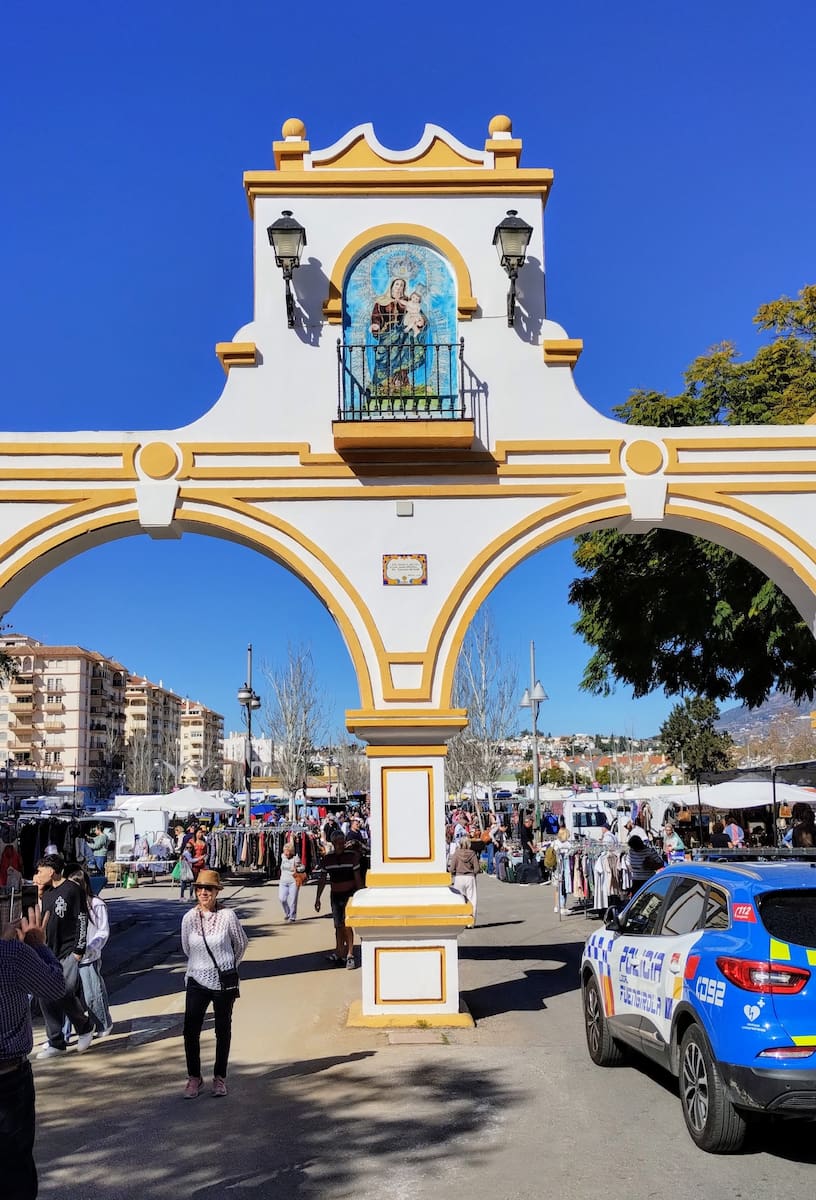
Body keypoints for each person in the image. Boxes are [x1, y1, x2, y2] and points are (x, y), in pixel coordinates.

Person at [0, 907, 66, 1200]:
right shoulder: (12, 954)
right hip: (8, 1078)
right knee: (15, 1170)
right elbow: (54, 986)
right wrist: (38, 946)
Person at [180, 869, 247, 1099]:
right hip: (196, 979)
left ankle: (219, 1077)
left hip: (223, 981)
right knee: (190, 1030)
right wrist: (202, 965)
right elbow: (187, 948)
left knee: (222, 1029)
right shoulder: (189, 918)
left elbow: (241, 944)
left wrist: (229, 965)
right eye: (200, 888)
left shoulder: (228, 916)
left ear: (217, 891)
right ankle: (194, 1077)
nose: (203, 892)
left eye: (208, 888)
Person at [34, 853, 95, 1060]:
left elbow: (81, 918)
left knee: (63, 991)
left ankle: (85, 1026)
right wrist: (39, 892)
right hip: (48, 951)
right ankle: (56, 1041)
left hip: (69, 951)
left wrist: (79, 950)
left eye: (40, 871)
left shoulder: (72, 889)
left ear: (51, 871)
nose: (37, 875)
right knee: (45, 994)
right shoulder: (47, 893)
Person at [68, 869, 113, 1037]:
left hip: (89, 956)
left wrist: (91, 947)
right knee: (69, 994)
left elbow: (103, 931)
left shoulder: (96, 904)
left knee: (93, 992)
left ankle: (103, 1023)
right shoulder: (69, 904)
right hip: (71, 956)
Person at [369, 276, 428, 394]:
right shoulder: (381, 302)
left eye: (402, 285)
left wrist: (421, 322)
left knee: (404, 357)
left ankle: (401, 384)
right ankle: (385, 385)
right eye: (397, 284)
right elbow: (376, 317)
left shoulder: (408, 301)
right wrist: (375, 325)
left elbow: (417, 314)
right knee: (385, 358)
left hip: (404, 334)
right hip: (387, 334)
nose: (399, 287)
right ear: (391, 286)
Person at [315, 831, 363, 969]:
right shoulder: (327, 860)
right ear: (333, 844)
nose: (341, 845)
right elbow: (323, 880)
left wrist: (360, 896)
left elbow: (357, 878)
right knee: (338, 925)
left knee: (347, 925)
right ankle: (339, 951)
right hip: (335, 896)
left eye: (342, 842)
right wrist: (318, 898)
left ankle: (349, 954)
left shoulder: (352, 857)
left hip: (349, 895)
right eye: (338, 842)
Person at [448, 836, 481, 925]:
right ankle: (470, 922)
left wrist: (454, 872)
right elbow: (477, 868)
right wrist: (473, 872)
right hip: (470, 878)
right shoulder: (472, 853)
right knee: (472, 899)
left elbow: (451, 868)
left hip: (459, 878)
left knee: (459, 899)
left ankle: (460, 919)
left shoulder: (456, 853)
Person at [278, 843, 305, 922]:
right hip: (283, 881)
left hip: (293, 882)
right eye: (285, 851)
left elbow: (303, 867)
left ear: (291, 851)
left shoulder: (295, 858)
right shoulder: (282, 856)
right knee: (282, 899)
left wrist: (297, 868)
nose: (286, 853)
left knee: (293, 900)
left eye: (287, 851)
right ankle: (287, 912)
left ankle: (292, 916)